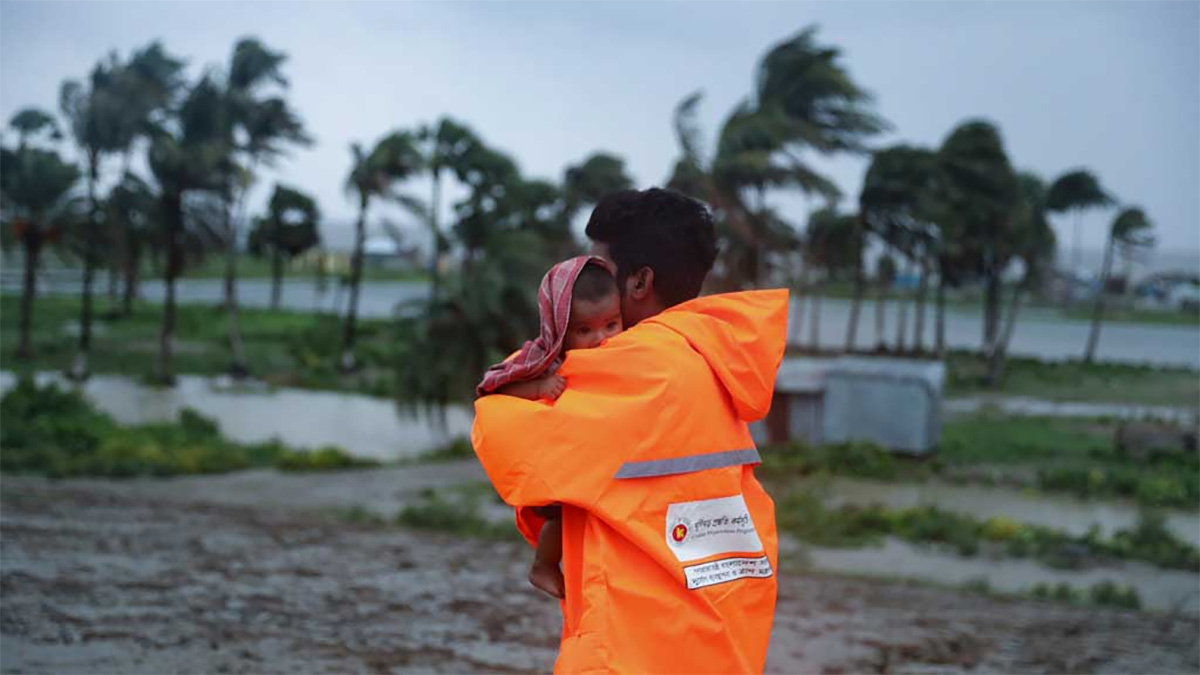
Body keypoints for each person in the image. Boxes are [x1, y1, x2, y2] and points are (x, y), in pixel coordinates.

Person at [472, 188, 788, 673]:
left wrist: (544, 350)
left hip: (626, 651)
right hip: (719, 646)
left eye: (598, 271)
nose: (587, 283)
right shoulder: (716, 358)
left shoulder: (629, 367)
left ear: (640, 281)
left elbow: (502, 429)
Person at [475, 255, 623, 600]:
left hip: (599, 465)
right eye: (584, 330)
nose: (601, 338)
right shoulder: (545, 359)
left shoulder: (628, 353)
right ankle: (542, 565)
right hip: (561, 464)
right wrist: (540, 388)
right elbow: (497, 388)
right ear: (559, 327)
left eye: (611, 324)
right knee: (561, 517)